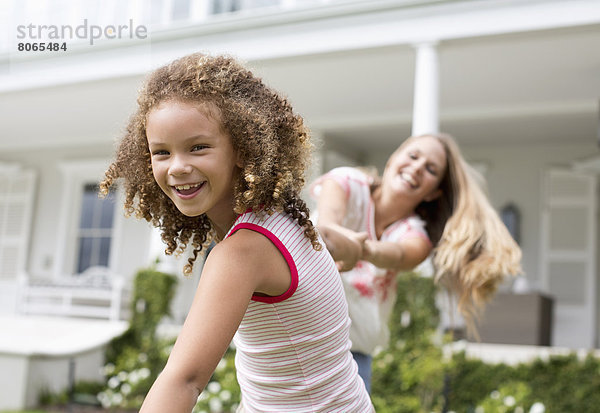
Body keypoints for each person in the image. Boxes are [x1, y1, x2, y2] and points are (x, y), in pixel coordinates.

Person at [99, 53, 373, 413]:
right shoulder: (285, 219)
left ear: (243, 150)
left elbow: (184, 380)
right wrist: (347, 243)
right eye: (161, 152)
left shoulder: (240, 253)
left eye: (198, 147)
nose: (178, 167)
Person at [310, 133, 522, 392]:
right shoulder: (345, 182)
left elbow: (398, 255)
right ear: (392, 160)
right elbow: (327, 227)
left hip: (352, 355)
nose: (418, 167)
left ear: (433, 193)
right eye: (412, 156)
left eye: (431, 169)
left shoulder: (415, 235)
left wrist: (361, 249)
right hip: (299, 333)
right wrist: (344, 243)